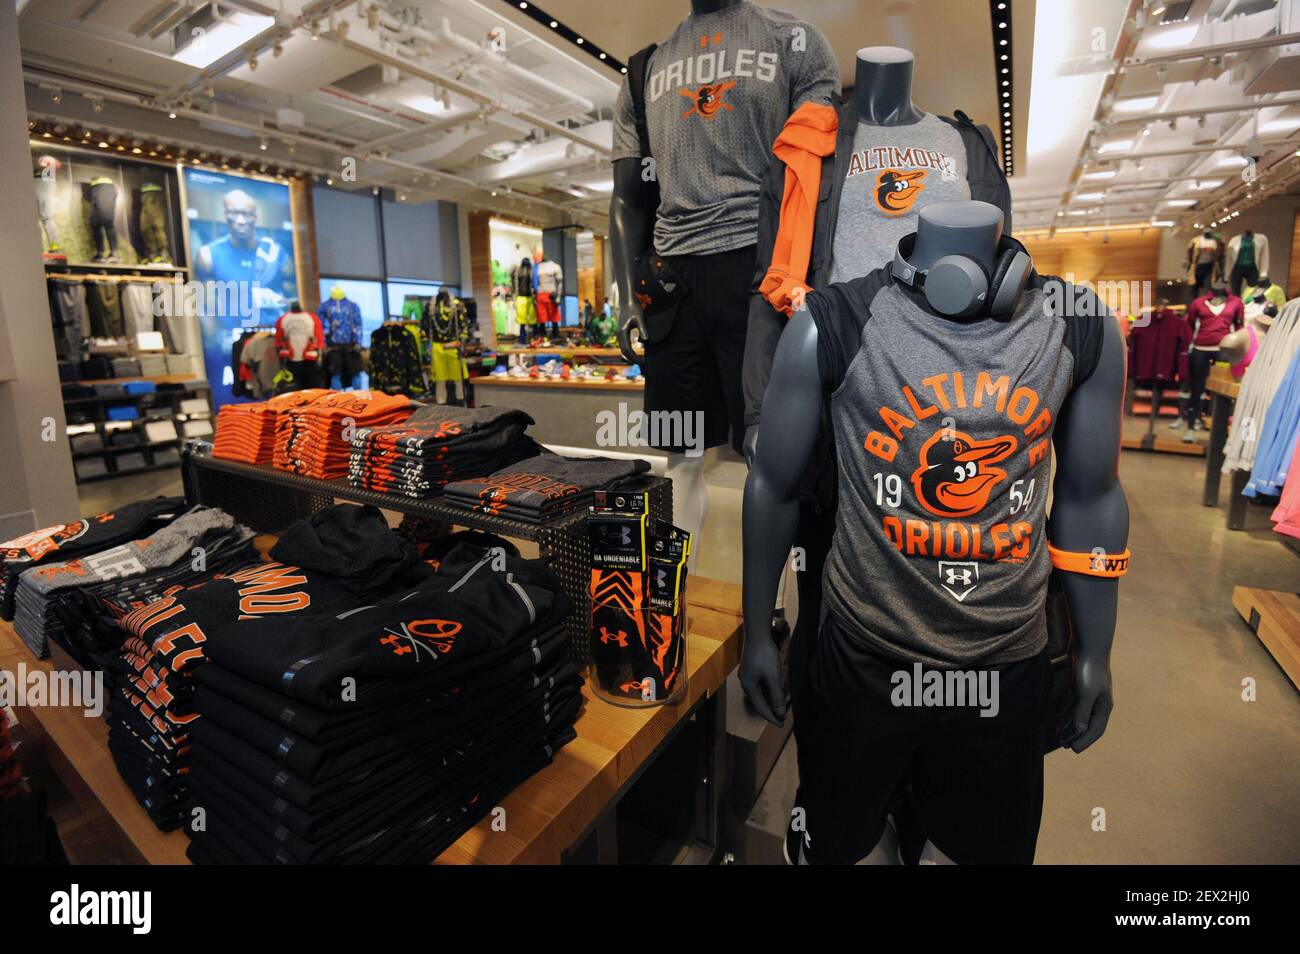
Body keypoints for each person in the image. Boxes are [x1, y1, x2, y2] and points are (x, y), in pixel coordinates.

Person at [194, 189, 296, 405]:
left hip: (269, 342)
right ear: (225, 214)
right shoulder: (209, 255)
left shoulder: (276, 255)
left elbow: (290, 302)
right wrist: (214, 336)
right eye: (234, 213)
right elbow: (206, 309)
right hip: (230, 344)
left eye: (246, 214)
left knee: (274, 398)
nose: (240, 221)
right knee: (238, 401)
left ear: (255, 217)